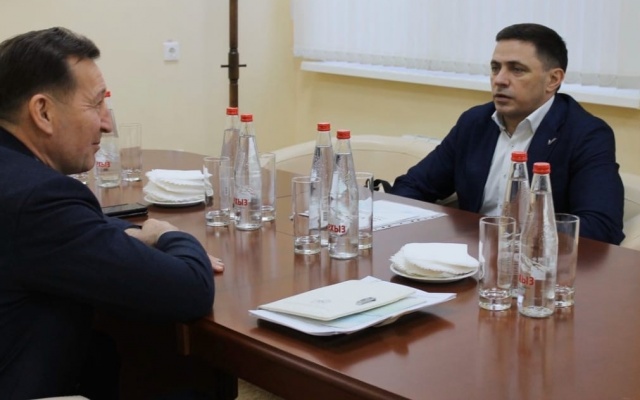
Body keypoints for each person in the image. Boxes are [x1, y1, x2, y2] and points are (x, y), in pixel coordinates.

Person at [0, 27, 223, 399]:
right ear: (43, 112)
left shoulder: (17, 180)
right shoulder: (39, 199)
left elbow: (74, 227)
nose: (107, 122)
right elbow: (190, 290)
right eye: (96, 104)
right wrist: (166, 234)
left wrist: (124, 235)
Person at [390, 23, 625, 245]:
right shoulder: (475, 123)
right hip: (467, 254)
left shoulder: (586, 134)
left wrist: (519, 242)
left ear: (553, 79)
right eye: (495, 68)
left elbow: (600, 227)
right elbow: (412, 186)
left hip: (536, 262)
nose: (500, 80)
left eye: (517, 70)